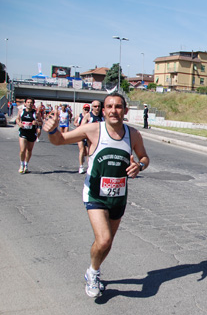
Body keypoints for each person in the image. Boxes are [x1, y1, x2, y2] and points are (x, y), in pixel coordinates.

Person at [43, 93, 150, 298]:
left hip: (118, 196)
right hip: (95, 195)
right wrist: (53, 129)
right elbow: (59, 140)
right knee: (103, 240)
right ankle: (92, 273)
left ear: (125, 110)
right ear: (103, 110)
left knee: (107, 243)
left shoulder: (133, 134)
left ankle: (94, 269)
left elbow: (144, 157)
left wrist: (140, 166)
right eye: (109, 106)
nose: (113, 110)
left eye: (118, 107)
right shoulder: (93, 130)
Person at [16, 98, 38, 173]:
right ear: (25, 103)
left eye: (31, 102)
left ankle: (26, 165)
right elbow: (17, 119)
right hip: (23, 132)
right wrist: (19, 123)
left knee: (29, 150)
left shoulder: (35, 113)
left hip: (32, 133)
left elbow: (41, 122)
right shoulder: (21, 111)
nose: (29, 104)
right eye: (28, 102)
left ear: (33, 104)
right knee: (22, 150)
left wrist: (36, 122)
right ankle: (21, 164)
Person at [75, 104, 91, 173]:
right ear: (83, 109)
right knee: (81, 150)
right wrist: (77, 124)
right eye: (85, 109)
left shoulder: (90, 116)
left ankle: (89, 166)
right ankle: (81, 166)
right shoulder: (79, 115)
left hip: (87, 135)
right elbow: (75, 122)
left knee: (87, 152)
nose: (86, 111)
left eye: (88, 109)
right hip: (80, 135)